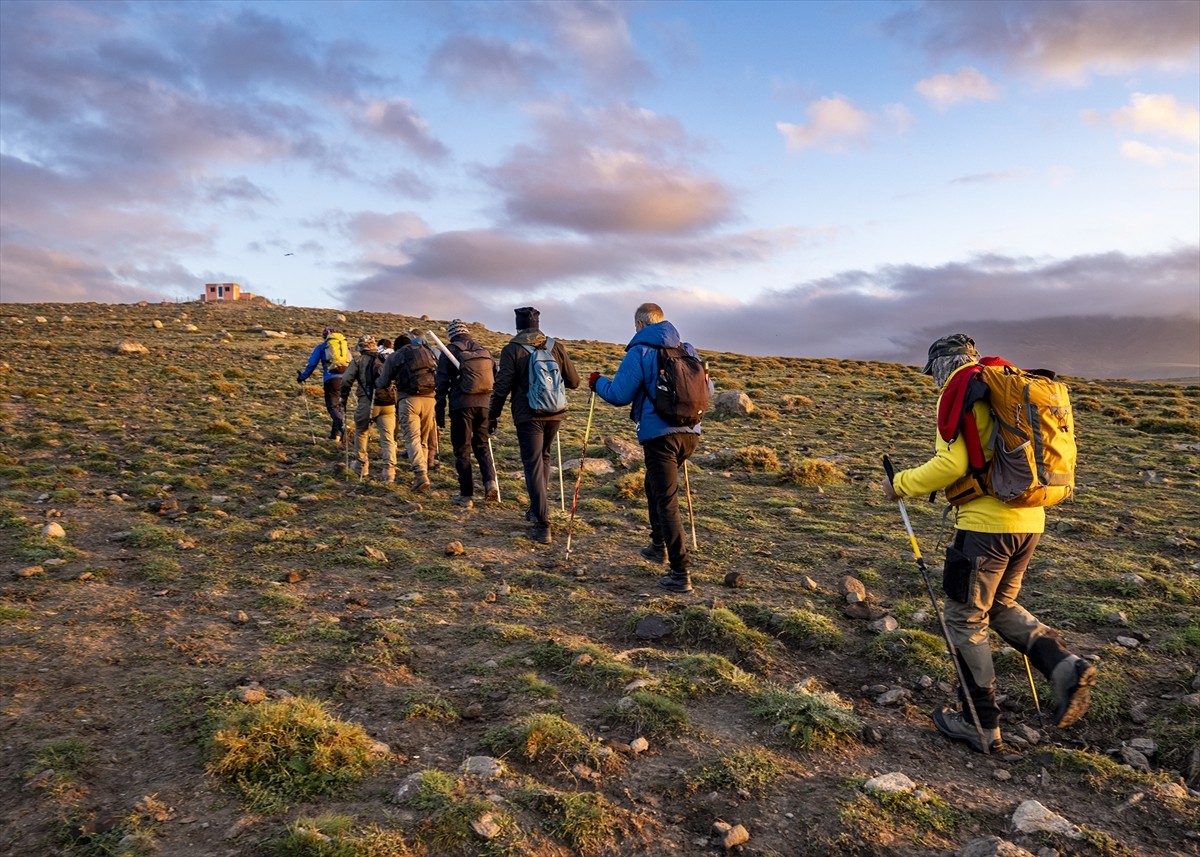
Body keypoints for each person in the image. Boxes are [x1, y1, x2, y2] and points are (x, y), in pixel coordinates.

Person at [882, 333, 1097, 753]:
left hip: (986, 525)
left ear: (943, 365)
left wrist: (900, 485)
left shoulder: (964, 391)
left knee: (965, 617)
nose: (935, 382)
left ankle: (978, 721)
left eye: (934, 373)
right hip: (1029, 521)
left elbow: (953, 463)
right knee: (998, 605)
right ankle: (1065, 665)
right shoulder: (1007, 383)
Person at [589, 303, 711, 593]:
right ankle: (658, 544)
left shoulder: (640, 351)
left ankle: (680, 573)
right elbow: (708, 389)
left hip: (660, 436)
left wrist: (597, 383)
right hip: (690, 433)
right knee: (653, 485)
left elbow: (619, 395)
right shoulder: (687, 350)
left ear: (640, 325)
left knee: (667, 500)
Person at [488, 306, 580, 544]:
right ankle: (537, 510)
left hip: (528, 415)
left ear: (518, 326)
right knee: (544, 458)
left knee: (532, 465)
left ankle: (543, 523)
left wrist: (492, 414)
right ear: (538, 325)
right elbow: (574, 381)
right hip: (555, 412)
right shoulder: (554, 346)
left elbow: (502, 385)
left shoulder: (512, 349)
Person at [435, 319, 499, 507]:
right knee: (482, 445)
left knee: (462, 449)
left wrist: (439, 410)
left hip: (461, 405)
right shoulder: (484, 350)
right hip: (485, 405)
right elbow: (495, 379)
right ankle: (490, 483)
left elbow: (442, 383)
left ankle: (466, 494)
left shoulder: (449, 351)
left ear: (451, 334)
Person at [378, 331, 438, 492]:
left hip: (409, 400)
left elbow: (383, 381)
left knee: (412, 440)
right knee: (423, 440)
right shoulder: (426, 351)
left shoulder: (395, 356)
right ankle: (424, 473)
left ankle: (420, 474)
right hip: (430, 399)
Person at [339, 335, 397, 483]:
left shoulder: (358, 361)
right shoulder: (386, 359)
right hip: (388, 403)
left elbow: (346, 380)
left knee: (361, 431)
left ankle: (361, 465)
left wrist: (343, 398)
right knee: (388, 437)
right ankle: (389, 470)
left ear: (360, 348)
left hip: (367, 402)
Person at [297, 326, 348, 444]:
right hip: (345, 379)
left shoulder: (322, 347)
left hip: (331, 379)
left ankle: (342, 427)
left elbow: (312, 364)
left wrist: (302, 377)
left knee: (332, 406)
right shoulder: (344, 347)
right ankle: (335, 435)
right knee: (340, 406)